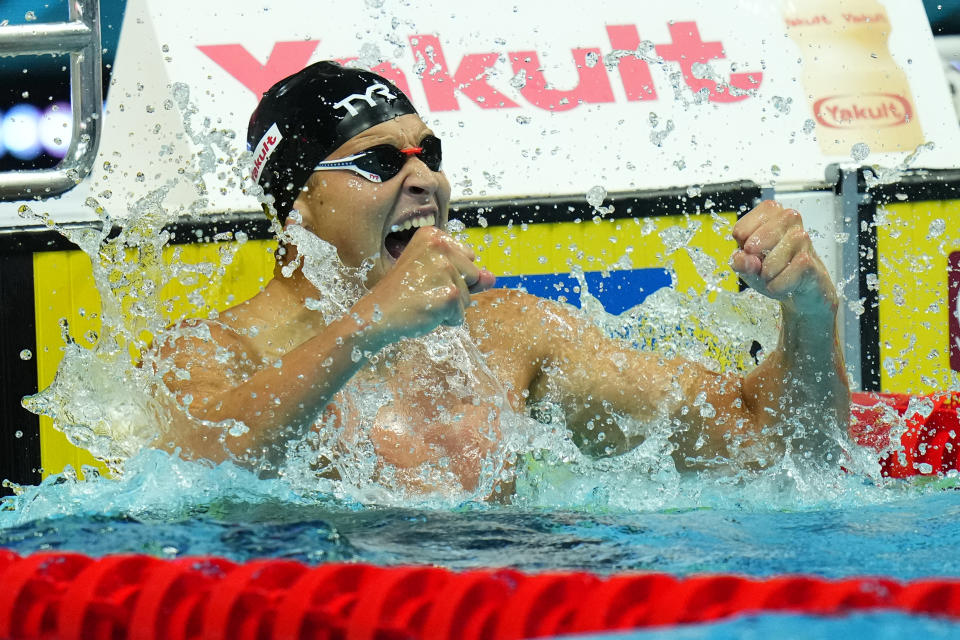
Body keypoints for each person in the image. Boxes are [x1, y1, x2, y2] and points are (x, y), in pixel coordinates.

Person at [155, 61, 850, 497]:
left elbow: (776, 455)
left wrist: (812, 313)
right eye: (378, 163)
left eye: (429, 154)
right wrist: (363, 329)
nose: (424, 178)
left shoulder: (506, 332)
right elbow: (197, 475)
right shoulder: (210, 353)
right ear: (296, 202)